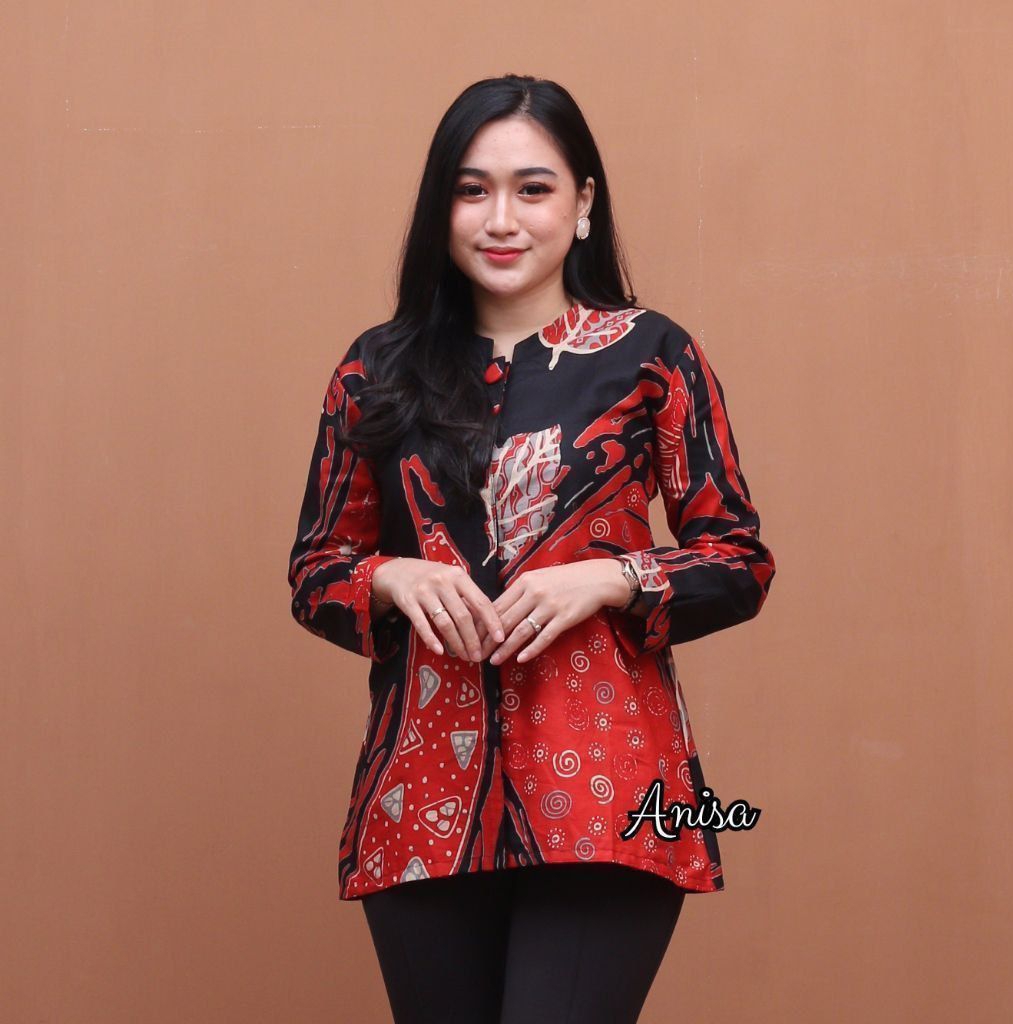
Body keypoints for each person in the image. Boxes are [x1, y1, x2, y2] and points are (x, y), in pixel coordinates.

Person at [287, 73, 777, 1024]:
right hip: (421, 795)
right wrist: (390, 575)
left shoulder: (652, 354)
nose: (501, 219)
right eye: (472, 190)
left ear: (583, 203)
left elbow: (739, 558)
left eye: (533, 188)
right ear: (441, 209)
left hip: (611, 792)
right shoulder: (375, 370)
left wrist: (614, 578)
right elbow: (315, 572)